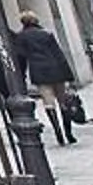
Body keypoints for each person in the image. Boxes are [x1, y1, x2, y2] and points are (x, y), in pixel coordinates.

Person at [11, 12, 78, 145]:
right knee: (63, 102)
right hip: (57, 70)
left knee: (49, 103)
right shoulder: (46, 34)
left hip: (39, 72)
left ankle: (58, 132)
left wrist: (22, 75)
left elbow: (21, 57)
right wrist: (69, 76)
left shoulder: (21, 37)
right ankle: (68, 133)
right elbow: (59, 55)